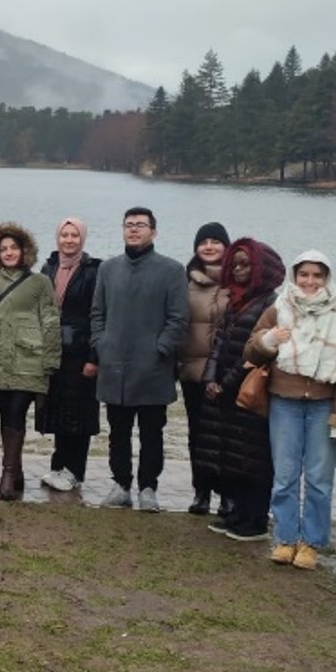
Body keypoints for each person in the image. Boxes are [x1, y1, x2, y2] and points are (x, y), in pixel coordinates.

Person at [243, 250, 336, 571]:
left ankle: (311, 542)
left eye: (317, 275)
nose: (310, 281)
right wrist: (269, 339)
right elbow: (250, 350)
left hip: (324, 402)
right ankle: (285, 538)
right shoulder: (279, 307)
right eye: (304, 274)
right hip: (284, 401)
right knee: (285, 475)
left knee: (319, 478)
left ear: (327, 278)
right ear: (294, 276)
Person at [88, 206, 188, 509]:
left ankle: (148, 488)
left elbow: (178, 318)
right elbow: (97, 313)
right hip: (114, 365)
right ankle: (121, 485)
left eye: (140, 225)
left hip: (153, 368)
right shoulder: (108, 269)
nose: (133, 229)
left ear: (153, 232)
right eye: (129, 224)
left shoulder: (172, 270)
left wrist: (160, 349)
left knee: (151, 432)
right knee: (117, 432)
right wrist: (102, 344)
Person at [199, 238, 287, 542]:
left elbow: (254, 353)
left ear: (261, 268)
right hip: (225, 389)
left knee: (254, 457)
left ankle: (256, 517)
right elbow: (219, 342)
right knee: (233, 454)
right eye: (234, 264)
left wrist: (226, 383)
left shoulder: (271, 304)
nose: (238, 270)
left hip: (250, 389)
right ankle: (238, 511)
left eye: (246, 264)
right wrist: (210, 378)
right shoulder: (235, 301)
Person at [0, 222, 62, 501]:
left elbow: (51, 320)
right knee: (5, 415)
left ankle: (7, 475)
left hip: (29, 358)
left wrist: (51, 360)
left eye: (14, 247)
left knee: (16, 413)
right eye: (3, 249)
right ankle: (17, 472)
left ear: (25, 250)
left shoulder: (40, 282)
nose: (9, 252)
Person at [37, 218, 102, 494]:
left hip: (81, 352)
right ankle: (58, 466)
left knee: (80, 415)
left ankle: (74, 471)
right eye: (64, 234)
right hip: (55, 351)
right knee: (60, 411)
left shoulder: (94, 271)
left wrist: (94, 357)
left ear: (82, 238)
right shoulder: (48, 268)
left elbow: (99, 315)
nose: (69, 240)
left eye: (75, 235)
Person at [180, 222, 231, 515]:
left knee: (225, 435)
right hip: (193, 369)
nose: (209, 247)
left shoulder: (237, 279)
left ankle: (227, 494)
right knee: (198, 434)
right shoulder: (185, 280)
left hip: (227, 372)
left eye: (215, 241)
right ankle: (201, 492)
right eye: (203, 242)